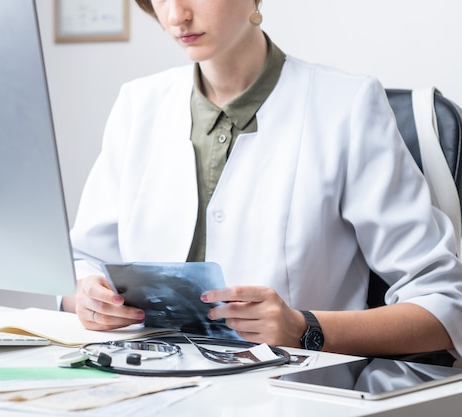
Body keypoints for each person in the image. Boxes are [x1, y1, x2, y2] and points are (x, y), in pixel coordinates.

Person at [62, 0, 462, 358]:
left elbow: (445, 304)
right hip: (145, 382)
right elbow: (83, 261)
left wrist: (305, 328)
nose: (175, 15)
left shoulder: (347, 106)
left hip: (291, 394)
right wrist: (88, 296)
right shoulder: (138, 104)